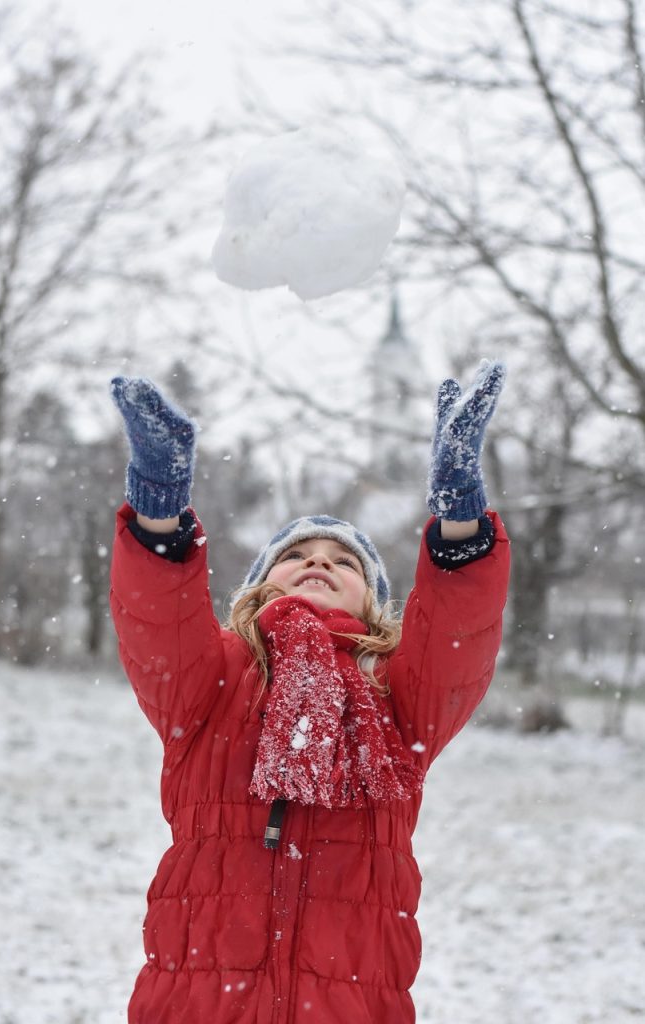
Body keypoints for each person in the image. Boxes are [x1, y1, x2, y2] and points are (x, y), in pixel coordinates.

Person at [109, 360, 510, 1024]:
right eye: (296, 556)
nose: (319, 561)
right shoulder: (214, 675)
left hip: (349, 1002)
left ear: (373, 605)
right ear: (261, 588)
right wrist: (158, 513)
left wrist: (460, 523)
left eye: (345, 561)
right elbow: (157, 621)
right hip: (201, 1000)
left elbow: (458, 637)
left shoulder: (395, 694)